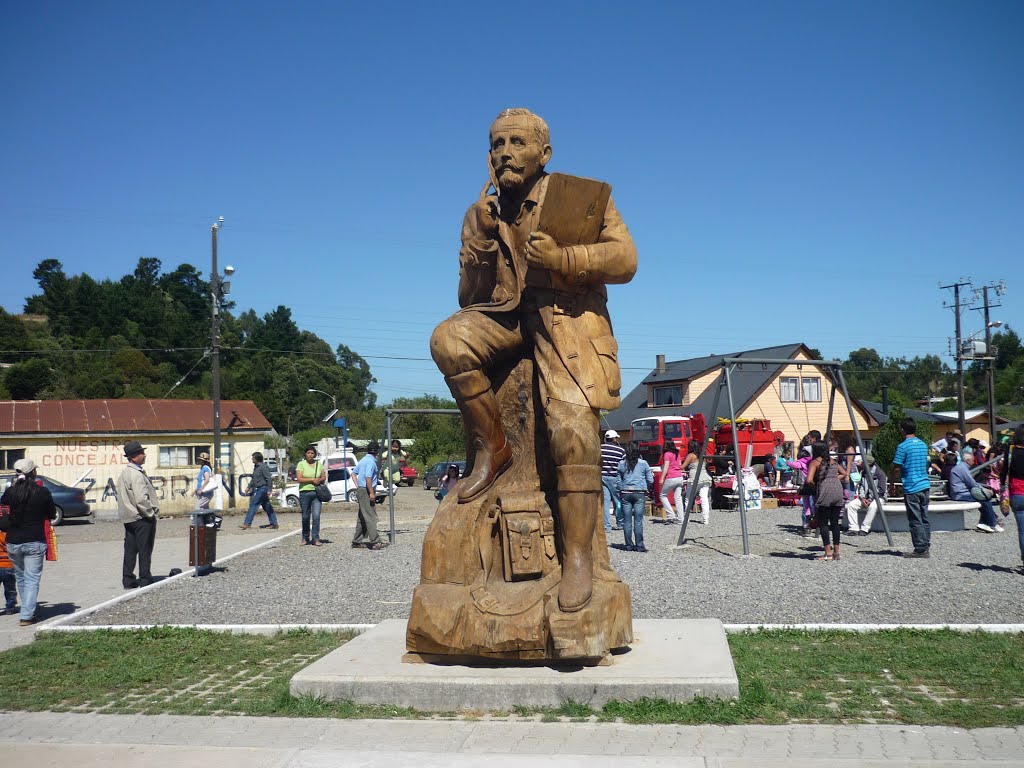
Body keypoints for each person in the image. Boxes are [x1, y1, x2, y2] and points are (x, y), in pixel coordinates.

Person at [429, 108, 637, 613]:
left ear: (544, 154)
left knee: (572, 431)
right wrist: (480, 237)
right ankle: (493, 449)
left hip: (564, 323)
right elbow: (469, 296)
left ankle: (579, 560)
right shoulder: (482, 211)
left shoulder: (581, 199)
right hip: (505, 319)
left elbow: (626, 260)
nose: (505, 152)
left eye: (517, 142)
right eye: (497, 143)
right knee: (448, 341)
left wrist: (566, 259)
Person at [0, 459, 55, 625]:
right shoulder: (42, 492)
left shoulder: (10, 492)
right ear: (33, 472)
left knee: (22, 578)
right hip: (34, 541)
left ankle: (28, 610)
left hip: (13, 542)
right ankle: (26, 615)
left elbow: (4, 506)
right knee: (32, 579)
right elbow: (51, 513)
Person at [116, 441, 159, 589]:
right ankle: (145, 578)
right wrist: (150, 513)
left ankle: (128, 579)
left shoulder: (124, 473)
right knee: (145, 549)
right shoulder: (136, 474)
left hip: (129, 517)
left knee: (130, 550)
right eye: (142, 453)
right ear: (134, 457)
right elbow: (141, 498)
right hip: (141, 517)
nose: (144, 455)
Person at [893, 417, 932, 558]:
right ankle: (926, 544)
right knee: (924, 517)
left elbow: (896, 466)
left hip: (911, 485)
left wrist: (892, 481)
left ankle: (920, 548)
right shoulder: (923, 444)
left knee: (915, 518)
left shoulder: (903, 446)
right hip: (925, 484)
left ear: (902, 430)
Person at [806, 442, 848, 560]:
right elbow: (844, 473)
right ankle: (836, 552)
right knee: (835, 522)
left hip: (825, 491)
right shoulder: (833, 461)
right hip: (837, 490)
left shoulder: (815, 462)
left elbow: (809, 480)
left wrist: (818, 485)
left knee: (823, 523)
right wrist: (834, 478)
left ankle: (828, 553)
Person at [948, 451, 1002, 533]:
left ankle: (984, 522)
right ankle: (992, 523)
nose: (974, 462)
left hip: (959, 492)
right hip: (960, 494)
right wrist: (984, 489)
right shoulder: (962, 469)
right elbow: (971, 483)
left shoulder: (960, 467)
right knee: (985, 499)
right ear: (967, 460)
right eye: (972, 460)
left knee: (984, 499)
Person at [351, 441, 389, 550]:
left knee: (362, 516)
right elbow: (368, 478)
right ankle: (376, 541)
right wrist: (371, 493)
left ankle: (357, 541)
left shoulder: (363, 460)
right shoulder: (371, 462)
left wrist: (358, 485)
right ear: (377, 451)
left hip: (361, 489)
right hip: (366, 490)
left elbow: (353, 473)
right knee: (371, 516)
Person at [617, 441, 653, 552]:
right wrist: (646, 486)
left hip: (625, 492)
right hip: (639, 492)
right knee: (638, 520)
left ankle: (628, 545)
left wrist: (621, 488)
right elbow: (650, 479)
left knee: (627, 520)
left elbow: (618, 480)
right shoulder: (643, 463)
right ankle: (639, 545)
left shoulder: (622, 463)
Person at [998, 425, 1024, 572]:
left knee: (1022, 531)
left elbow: (1004, 473)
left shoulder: (1011, 451)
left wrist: (1002, 488)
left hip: (1017, 493)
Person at [845, 453, 887, 535]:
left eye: (862, 462)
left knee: (873, 506)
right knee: (851, 505)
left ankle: (865, 528)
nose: (860, 464)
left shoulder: (880, 474)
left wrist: (871, 499)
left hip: (879, 497)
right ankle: (853, 528)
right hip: (866, 498)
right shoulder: (863, 473)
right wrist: (862, 498)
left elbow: (881, 490)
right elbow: (861, 487)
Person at [295, 447, 327, 546]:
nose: (310, 455)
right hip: (305, 493)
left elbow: (323, 476)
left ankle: (315, 538)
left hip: (317, 493)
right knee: (305, 516)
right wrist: (312, 480)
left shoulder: (319, 464)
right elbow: (299, 478)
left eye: (312, 453)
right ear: (305, 454)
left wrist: (320, 480)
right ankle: (305, 537)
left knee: (316, 516)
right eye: (308, 453)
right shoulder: (301, 464)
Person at [241, 452, 279, 530]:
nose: (252, 459)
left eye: (253, 458)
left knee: (253, 505)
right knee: (267, 507)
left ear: (257, 458)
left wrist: (269, 489)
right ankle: (274, 523)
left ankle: (247, 523)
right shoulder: (256, 467)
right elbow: (254, 479)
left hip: (263, 488)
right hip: (259, 488)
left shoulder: (263, 467)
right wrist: (249, 487)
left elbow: (268, 478)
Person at [681, 439, 713, 525]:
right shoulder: (702, 455)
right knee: (704, 498)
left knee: (688, 498)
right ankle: (706, 519)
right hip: (705, 477)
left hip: (694, 478)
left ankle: (686, 518)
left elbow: (683, 466)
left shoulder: (691, 455)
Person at [600, 430, 625, 532]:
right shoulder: (620, 451)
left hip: (602, 477)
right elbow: (623, 466)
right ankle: (620, 523)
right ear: (614, 439)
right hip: (615, 477)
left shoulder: (600, 448)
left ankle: (607, 526)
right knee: (617, 501)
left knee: (605, 502)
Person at [658, 440, 684, 524]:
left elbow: (666, 467)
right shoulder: (677, 453)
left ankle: (670, 514)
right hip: (679, 476)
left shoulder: (667, 454)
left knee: (662, 495)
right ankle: (681, 518)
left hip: (671, 477)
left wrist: (662, 478)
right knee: (678, 498)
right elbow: (679, 465)